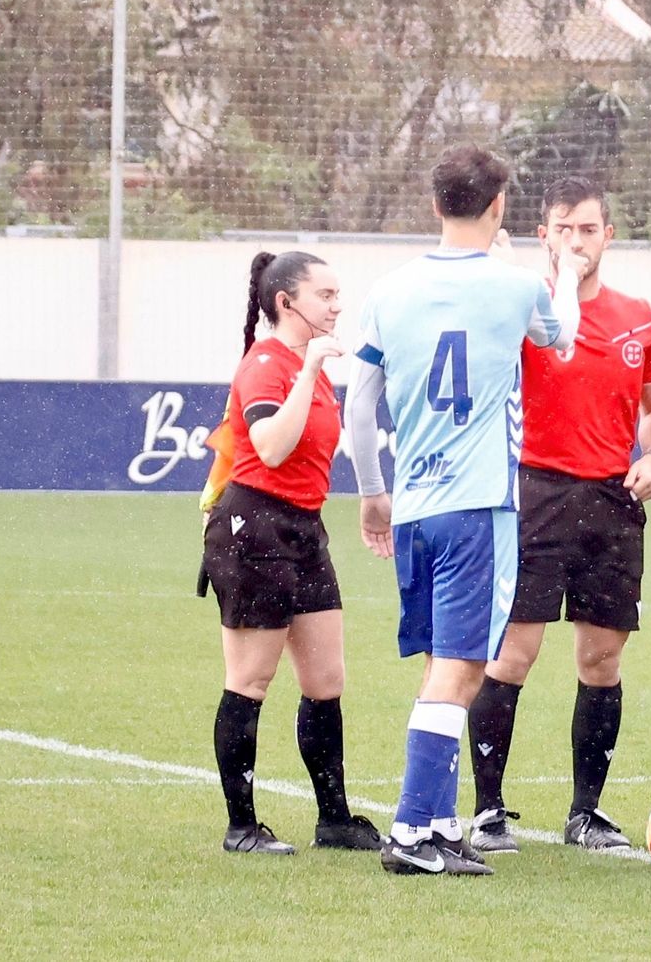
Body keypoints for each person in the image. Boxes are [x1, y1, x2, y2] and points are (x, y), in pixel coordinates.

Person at [345, 145, 580, 876]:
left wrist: (371, 491)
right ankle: (413, 834)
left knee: (446, 668)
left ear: (435, 203)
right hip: (478, 507)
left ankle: (439, 822)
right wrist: (566, 272)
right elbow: (561, 340)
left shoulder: (390, 291)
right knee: (461, 667)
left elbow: (358, 403)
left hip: (415, 505)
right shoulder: (514, 289)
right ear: (500, 205)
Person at [467, 177, 651, 855]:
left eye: (588, 229)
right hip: (538, 495)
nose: (577, 241)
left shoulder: (639, 317)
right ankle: (488, 810)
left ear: (608, 236)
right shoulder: (522, 311)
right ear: (544, 237)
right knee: (513, 654)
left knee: (602, 659)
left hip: (612, 501)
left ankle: (586, 813)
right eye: (564, 229)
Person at [200, 250, 384, 856]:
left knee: (326, 679)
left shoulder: (312, 366)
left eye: (338, 295)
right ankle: (241, 826)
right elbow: (271, 449)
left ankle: (333, 819)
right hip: (253, 527)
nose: (337, 305)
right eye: (325, 295)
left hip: (303, 529)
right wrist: (306, 373)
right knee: (251, 679)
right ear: (287, 302)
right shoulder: (266, 365)